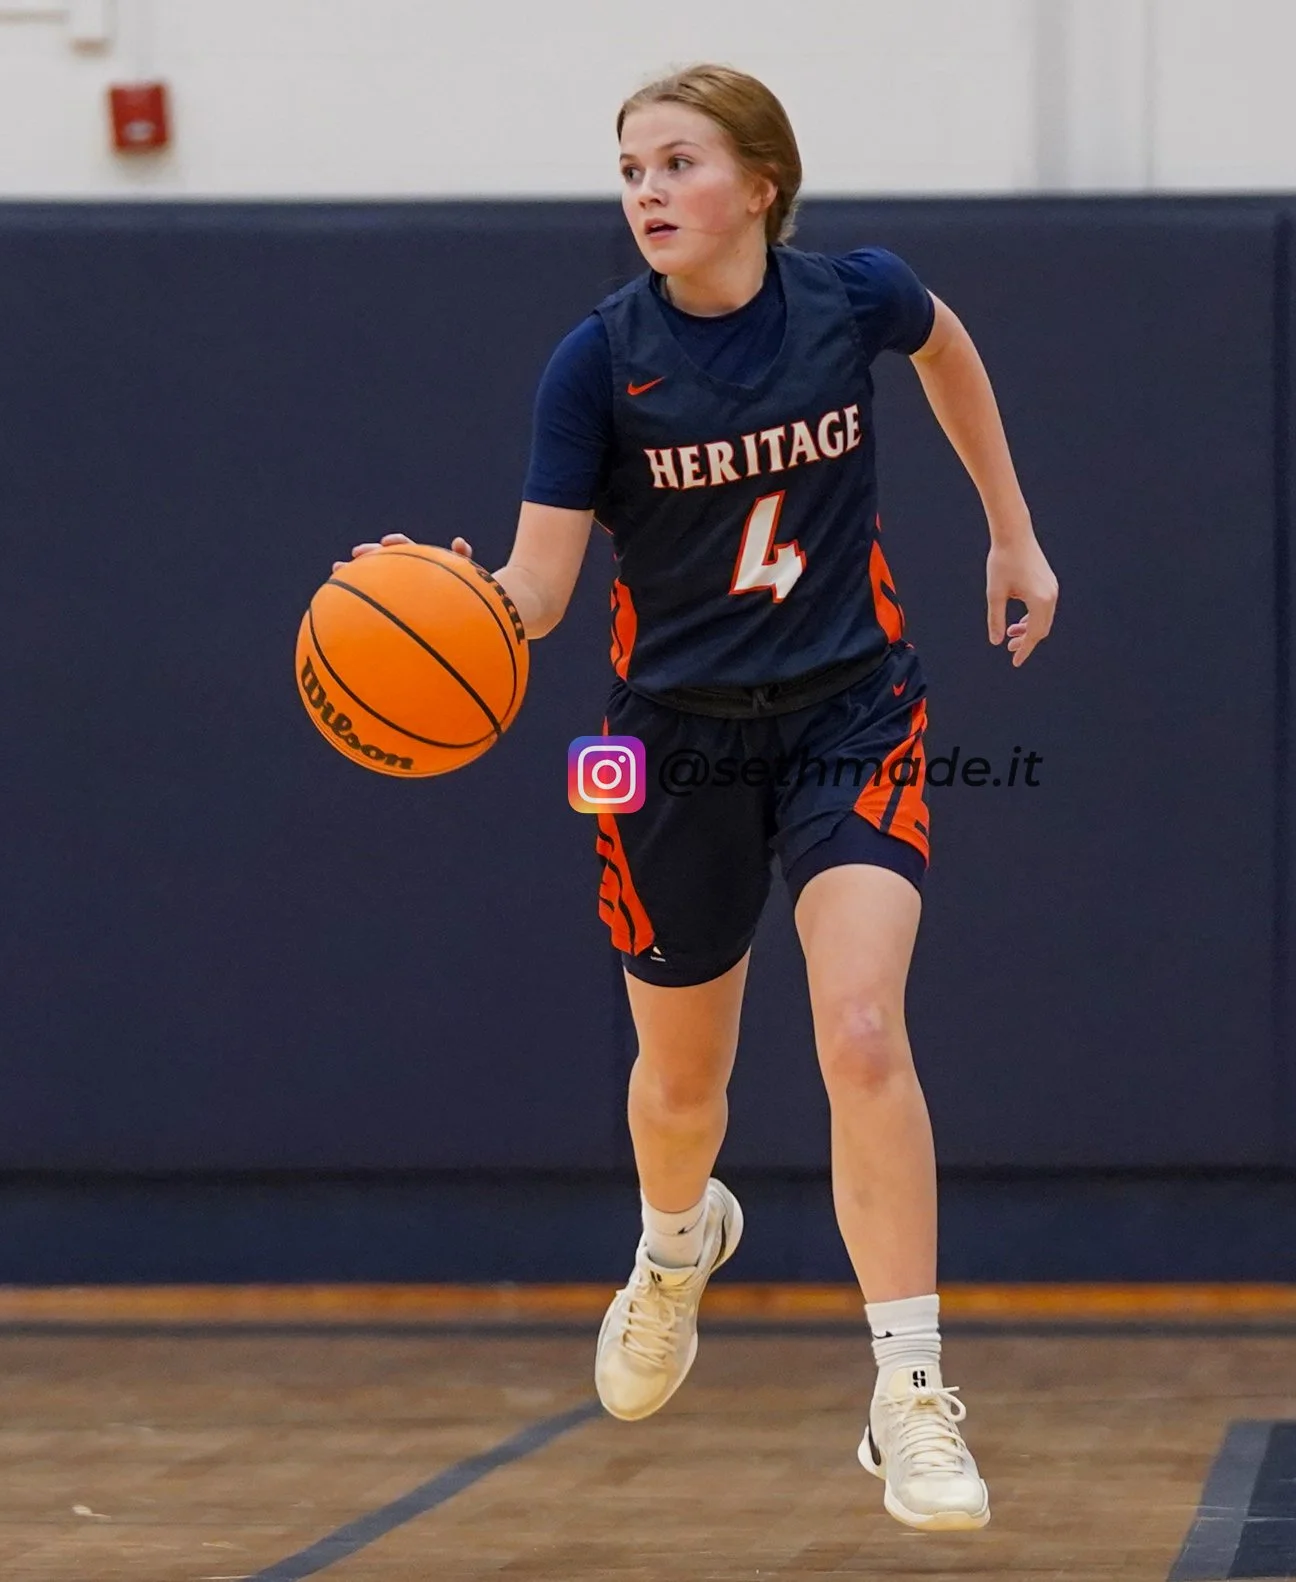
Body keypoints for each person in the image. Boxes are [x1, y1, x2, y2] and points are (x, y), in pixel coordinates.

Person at [343, 63, 1056, 1532]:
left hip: (854, 709)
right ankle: (678, 1246)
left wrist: (1011, 532)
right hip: (667, 746)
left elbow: (949, 352)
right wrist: (453, 598)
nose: (648, 193)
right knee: (682, 1090)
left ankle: (911, 1389)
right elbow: (540, 589)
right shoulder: (596, 365)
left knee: (862, 1030)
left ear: (761, 183)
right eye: (630, 171)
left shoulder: (855, 296)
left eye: (677, 163)